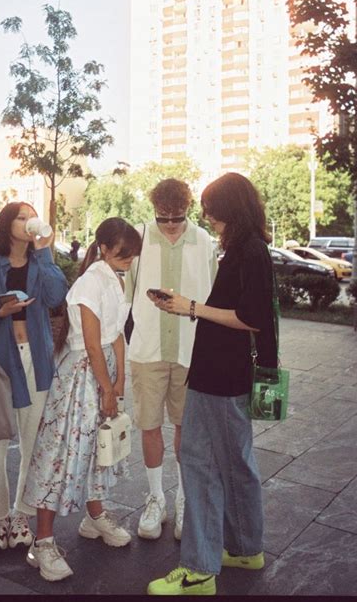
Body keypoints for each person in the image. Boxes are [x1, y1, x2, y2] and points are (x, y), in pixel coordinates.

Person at [147, 172, 278, 596]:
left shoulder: (249, 251)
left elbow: (250, 317)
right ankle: (243, 548)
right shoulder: (248, 248)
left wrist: (191, 307)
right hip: (226, 374)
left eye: (211, 209)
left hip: (221, 376)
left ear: (230, 210)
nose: (207, 217)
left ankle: (198, 570)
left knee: (200, 464)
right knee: (236, 464)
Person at [22, 217, 142, 582]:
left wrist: (120, 379)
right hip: (81, 377)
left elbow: (116, 333)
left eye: (131, 255)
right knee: (59, 452)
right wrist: (108, 386)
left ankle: (94, 516)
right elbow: (91, 343)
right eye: (122, 254)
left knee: (95, 449)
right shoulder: (90, 282)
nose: (127, 260)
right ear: (103, 248)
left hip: (102, 371)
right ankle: (42, 542)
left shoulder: (114, 279)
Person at [0, 202, 68, 553]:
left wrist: (45, 250)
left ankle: (22, 514)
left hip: (35, 360)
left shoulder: (41, 262)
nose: (28, 222)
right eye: (21, 217)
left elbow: (56, 297)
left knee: (33, 445)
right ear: (7, 224)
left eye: (31, 217)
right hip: (0, 363)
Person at [125, 178, 218, 541]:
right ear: (154, 212)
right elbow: (125, 294)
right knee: (148, 425)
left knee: (186, 429)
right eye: (162, 219)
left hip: (189, 351)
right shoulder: (139, 237)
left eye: (176, 219)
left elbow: (211, 299)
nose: (170, 226)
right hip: (148, 349)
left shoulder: (204, 242)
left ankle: (182, 498)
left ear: (187, 211)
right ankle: (155, 498)